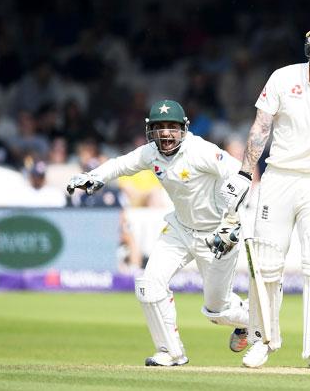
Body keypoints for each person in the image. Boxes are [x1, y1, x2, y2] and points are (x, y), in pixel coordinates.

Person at [214, 15, 310, 369]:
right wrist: (243, 173)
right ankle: (262, 339)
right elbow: (260, 129)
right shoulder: (283, 77)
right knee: (265, 264)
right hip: (278, 177)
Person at [66, 100, 249, 366]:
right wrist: (93, 176)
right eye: (159, 127)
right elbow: (120, 164)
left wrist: (232, 221)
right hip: (179, 229)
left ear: (184, 129)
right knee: (149, 285)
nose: (165, 133)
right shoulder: (151, 153)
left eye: (172, 127)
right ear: (151, 131)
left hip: (216, 235)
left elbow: (240, 175)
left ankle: (252, 321)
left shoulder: (201, 151)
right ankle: (171, 353)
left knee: (217, 311)